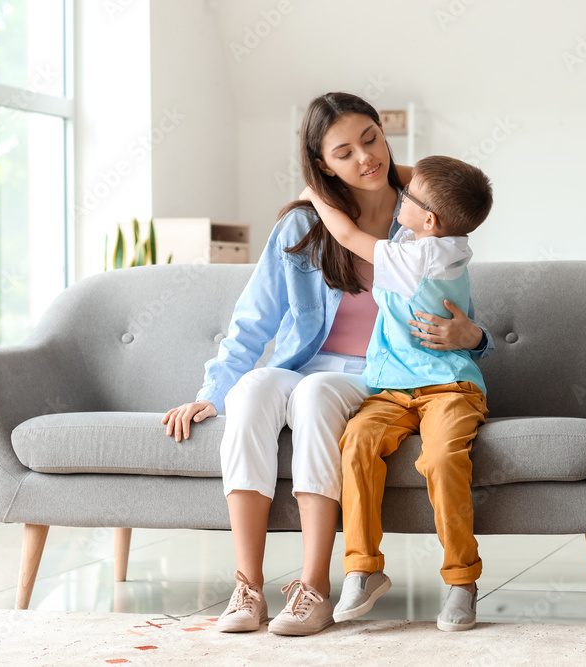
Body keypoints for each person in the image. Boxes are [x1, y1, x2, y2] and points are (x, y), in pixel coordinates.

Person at [160, 92, 495, 637]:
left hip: (378, 376)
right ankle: (247, 585)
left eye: (372, 139)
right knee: (251, 390)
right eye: (343, 152)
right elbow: (254, 320)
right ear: (321, 164)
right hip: (309, 362)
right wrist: (212, 393)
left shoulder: (422, 225)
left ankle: (314, 586)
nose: (366, 158)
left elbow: (454, 309)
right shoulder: (300, 226)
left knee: (314, 397)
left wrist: (474, 337)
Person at [301, 155, 492, 632]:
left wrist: (314, 193)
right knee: (357, 444)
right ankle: (363, 569)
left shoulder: (424, 255)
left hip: (449, 385)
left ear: (429, 221)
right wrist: (366, 159)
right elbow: (410, 178)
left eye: (407, 197)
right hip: (393, 386)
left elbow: (346, 236)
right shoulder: (425, 231)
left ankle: (462, 581)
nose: (398, 194)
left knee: (443, 459)